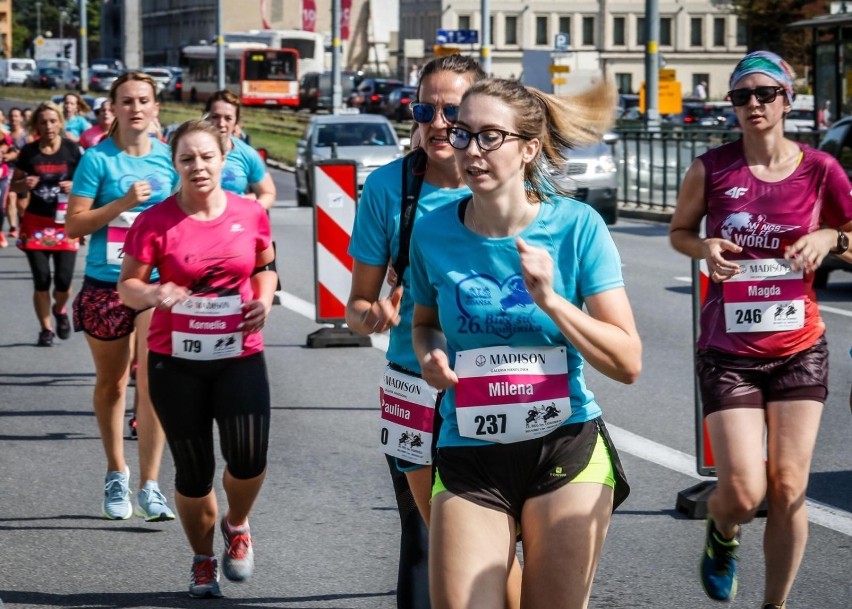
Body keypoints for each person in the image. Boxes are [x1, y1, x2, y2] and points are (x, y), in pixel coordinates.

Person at [408, 77, 640, 609]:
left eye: (491, 136)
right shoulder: (433, 232)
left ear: (528, 148)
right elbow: (424, 323)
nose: (471, 150)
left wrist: (552, 299)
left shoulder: (578, 228)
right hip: (468, 449)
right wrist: (430, 356)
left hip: (564, 446)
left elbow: (628, 361)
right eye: (463, 135)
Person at [669, 51, 852, 609]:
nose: (753, 104)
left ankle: (774, 604)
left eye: (765, 93)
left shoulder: (821, 169)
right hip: (729, 350)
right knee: (745, 490)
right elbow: (679, 231)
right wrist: (702, 247)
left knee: (790, 488)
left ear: (787, 99)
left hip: (799, 347)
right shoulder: (712, 167)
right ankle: (723, 534)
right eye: (741, 96)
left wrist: (830, 240)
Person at [347, 55, 526, 609]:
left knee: (503, 547)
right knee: (432, 539)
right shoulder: (389, 189)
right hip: (414, 382)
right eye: (426, 109)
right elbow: (356, 304)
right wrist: (371, 312)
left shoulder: (514, 181)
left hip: (500, 381)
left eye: (453, 110)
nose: (438, 123)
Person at [117, 119, 276, 598]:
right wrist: (154, 291)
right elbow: (127, 288)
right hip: (175, 361)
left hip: (239, 352)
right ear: (175, 165)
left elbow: (266, 268)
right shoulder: (155, 221)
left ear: (224, 158)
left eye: (207, 156)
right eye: (187, 158)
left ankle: (238, 523)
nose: (198, 166)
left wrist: (264, 301)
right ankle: (203, 559)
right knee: (193, 470)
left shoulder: (250, 213)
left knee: (248, 458)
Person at [66, 71, 179, 523]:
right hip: (106, 283)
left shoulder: (171, 160)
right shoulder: (97, 161)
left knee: (154, 385)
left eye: (143, 100)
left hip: (154, 286)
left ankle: (151, 484)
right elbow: (74, 226)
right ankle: (116, 473)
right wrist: (123, 202)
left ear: (156, 108)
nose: (135, 108)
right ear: (114, 108)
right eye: (126, 100)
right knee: (113, 384)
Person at [10, 102, 81, 345]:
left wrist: (75, 187)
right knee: (41, 280)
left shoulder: (72, 150)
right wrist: (24, 185)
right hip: (35, 223)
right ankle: (46, 329)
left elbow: (87, 186)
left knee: (63, 280)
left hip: (65, 224)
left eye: (53, 121)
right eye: (43, 122)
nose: (48, 126)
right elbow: (14, 185)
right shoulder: (29, 152)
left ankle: (60, 309)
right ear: (36, 125)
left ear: (60, 122)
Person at [203, 90, 276, 210]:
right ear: (206, 117)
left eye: (228, 118)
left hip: (234, 224)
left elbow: (267, 193)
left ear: (236, 122)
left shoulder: (247, 154)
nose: (221, 123)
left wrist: (248, 213)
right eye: (215, 117)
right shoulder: (191, 150)